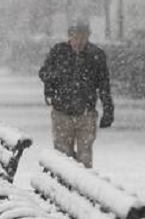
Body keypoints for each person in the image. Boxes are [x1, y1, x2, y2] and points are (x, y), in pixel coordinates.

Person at [38, 20, 114, 168]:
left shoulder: (96, 56)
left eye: (82, 38)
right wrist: (52, 86)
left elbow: (104, 85)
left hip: (86, 113)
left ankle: (81, 187)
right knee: (63, 156)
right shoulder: (59, 52)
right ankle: (65, 187)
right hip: (62, 112)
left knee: (84, 157)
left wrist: (108, 110)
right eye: (75, 38)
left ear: (88, 37)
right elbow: (44, 73)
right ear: (69, 36)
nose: (78, 42)